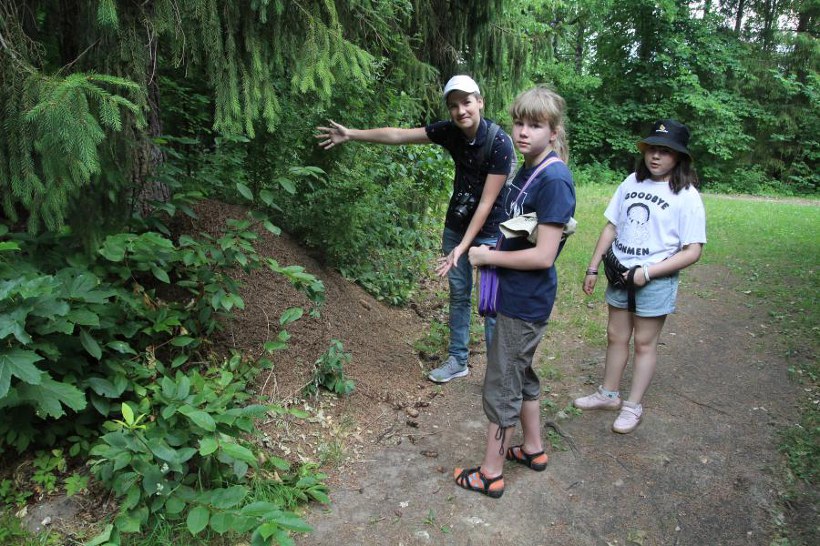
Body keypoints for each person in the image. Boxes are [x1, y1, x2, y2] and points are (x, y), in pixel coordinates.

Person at [316, 75, 514, 384]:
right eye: (453, 105)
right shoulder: (451, 132)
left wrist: (463, 247)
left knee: (490, 304)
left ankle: (499, 375)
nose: (461, 110)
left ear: (480, 102)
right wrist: (351, 134)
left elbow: (487, 203)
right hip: (457, 226)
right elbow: (399, 135)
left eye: (466, 102)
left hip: (489, 232)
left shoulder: (500, 143)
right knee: (459, 295)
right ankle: (457, 360)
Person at [453, 86, 575, 498]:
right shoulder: (527, 168)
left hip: (524, 300)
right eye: (519, 123)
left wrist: (488, 257)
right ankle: (534, 448)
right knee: (519, 372)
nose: (523, 132)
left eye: (535, 125)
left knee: (502, 382)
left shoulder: (554, 179)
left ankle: (491, 473)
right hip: (513, 294)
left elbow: (543, 256)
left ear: (553, 132)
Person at [574, 119, 706, 434]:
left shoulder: (687, 196)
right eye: (652, 149)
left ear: (679, 157)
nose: (655, 156)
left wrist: (647, 272)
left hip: (654, 280)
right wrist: (593, 266)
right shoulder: (632, 182)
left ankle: (633, 406)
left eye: (665, 151)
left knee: (644, 343)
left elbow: (692, 251)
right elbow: (612, 226)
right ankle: (608, 395)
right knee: (616, 336)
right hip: (620, 273)